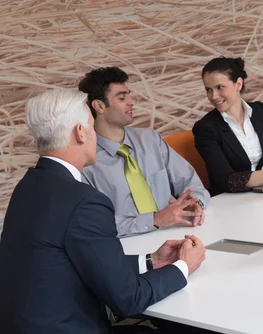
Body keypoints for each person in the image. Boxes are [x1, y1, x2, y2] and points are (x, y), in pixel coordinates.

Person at [0, 88, 208, 334]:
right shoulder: (84, 201)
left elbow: (84, 259)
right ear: (80, 133)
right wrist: (184, 266)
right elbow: (129, 300)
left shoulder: (28, 186)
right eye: (92, 127)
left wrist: (151, 260)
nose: (95, 134)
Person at [79, 67, 210, 237]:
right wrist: (154, 220)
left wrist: (195, 203)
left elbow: (191, 184)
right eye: (122, 97)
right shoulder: (86, 161)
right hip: (127, 246)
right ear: (99, 106)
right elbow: (95, 224)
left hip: (177, 232)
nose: (131, 101)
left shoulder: (151, 140)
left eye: (129, 95)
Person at [192, 57, 263, 196]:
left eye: (219, 87)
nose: (214, 96)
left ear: (238, 84)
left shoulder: (258, 111)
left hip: (259, 193)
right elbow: (228, 180)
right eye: (208, 90)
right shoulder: (205, 128)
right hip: (227, 200)